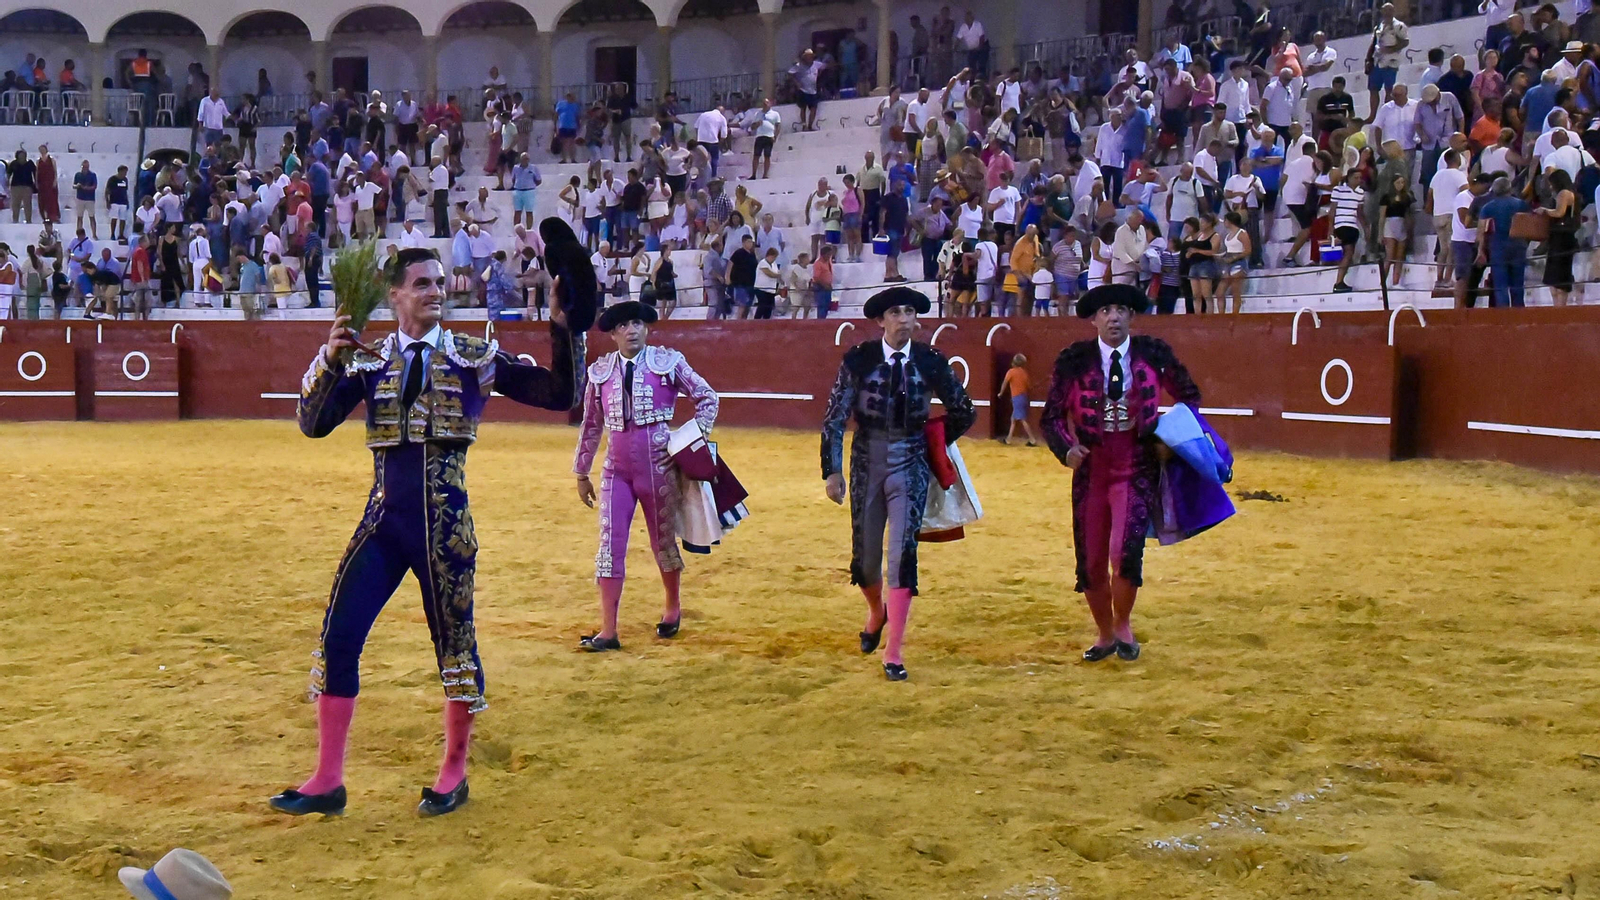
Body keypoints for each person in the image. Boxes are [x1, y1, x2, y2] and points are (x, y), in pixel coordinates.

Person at [271, 242, 593, 819]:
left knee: (454, 648)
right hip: (384, 521)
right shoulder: (368, 361)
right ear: (394, 294)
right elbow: (312, 424)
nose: (436, 292)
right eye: (422, 284)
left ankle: (453, 772)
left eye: (440, 283)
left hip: (445, 527)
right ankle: (327, 778)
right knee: (340, 635)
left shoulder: (473, 357)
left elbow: (561, 393)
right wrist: (329, 359)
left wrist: (563, 327)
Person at [1040, 283, 1203, 662]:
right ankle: (1103, 633)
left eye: (1121, 310)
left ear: (1131, 316)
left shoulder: (1153, 354)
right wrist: (1065, 447)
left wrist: (1168, 438)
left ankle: (1123, 623)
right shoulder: (1074, 360)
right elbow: (1051, 416)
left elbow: (1189, 398)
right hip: (1092, 468)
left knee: (1124, 551)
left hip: (1136, 463)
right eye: (1106, 311)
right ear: (1094, 319)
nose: (1113, 316)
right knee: (1091, 557)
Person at [821, 287, 976, 681]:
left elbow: (964, 410)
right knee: (866, 558)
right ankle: (877, 612)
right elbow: (835, 415)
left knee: (902, 555)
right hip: (866, 460)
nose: (904, 319)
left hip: (911, 461)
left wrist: (933, 442)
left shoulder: (930, 360)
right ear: (881, 320)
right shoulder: (860, 360)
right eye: (896, 312)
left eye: (910, 311)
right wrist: (832, 469)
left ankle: (894, 651)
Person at [573, 299, 717, 651]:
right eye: (623, 326)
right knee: (609, 546)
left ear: (647, 328)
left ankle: (672, 607)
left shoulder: (668, 362)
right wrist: (581, 471)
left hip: (659, 466)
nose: (631, 330)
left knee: (662, 541)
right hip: (615, 471)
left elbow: (707, 397)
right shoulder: (600, 371)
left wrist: (690, 438)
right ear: (612, 335)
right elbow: (591, 424)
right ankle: (608, 630)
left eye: (637, 323)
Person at [1476, 177, 1528, 308]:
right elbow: (1530, 225)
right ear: (1509, 188)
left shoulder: (1488, 207)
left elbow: (1481, 231)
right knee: (1518, 284)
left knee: (1500, 285)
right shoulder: (1521, 204)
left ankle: (1503, 316)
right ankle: (1519, 315)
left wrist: (1480, 250)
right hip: (1518, 245)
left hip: (1498, 246)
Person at [1538, 168, 1578, 306]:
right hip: (1560, 236)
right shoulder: (1566, 193)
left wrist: (1544, 211)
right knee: (1555, 276)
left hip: (1562, 237)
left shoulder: (1564, 193)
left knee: (1559, 275)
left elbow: (1559, 212)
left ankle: (1560, 307)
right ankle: (1557, 306)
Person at [998, 354, 1040, 446]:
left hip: (1016, 398)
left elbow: (1005, 383)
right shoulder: (1024, 373)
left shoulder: (1011, 372)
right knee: (1013, 419)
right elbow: (1029, 387)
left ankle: (1032, 440)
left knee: (1022, 419)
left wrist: (1001, 393)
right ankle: (1008, 439)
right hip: (1023, 397)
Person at [790, 49, 827, 131]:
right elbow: (791, 73)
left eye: (810, 56)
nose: (809, 58)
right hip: (803, 89)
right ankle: (804, 125)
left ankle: (810, 125)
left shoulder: (816, 64)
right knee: (803, 108)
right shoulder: (799, 65)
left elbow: (825, 66)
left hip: (813, 90)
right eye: (808, 56)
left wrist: (820, 73)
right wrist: (797, 83)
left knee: (813, 108)